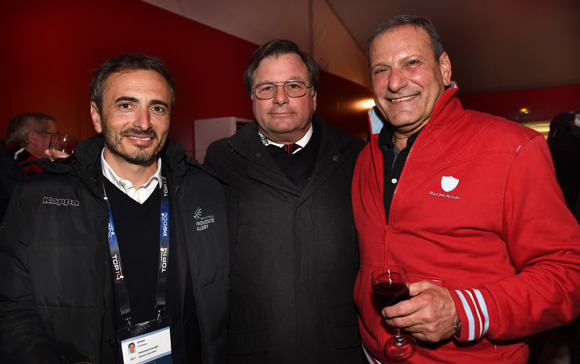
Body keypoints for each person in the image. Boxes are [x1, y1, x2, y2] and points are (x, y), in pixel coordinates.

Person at [352, 15, 580, 364]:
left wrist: (463, 311)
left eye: (412, 63)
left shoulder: (513, 148)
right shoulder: (365, 158)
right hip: (374, 354)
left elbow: (567, 275)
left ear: (444, 68)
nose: (395, 82)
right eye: (381, 70)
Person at [0, 54, 229, 364]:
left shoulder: (205, 192)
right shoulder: (38, 201)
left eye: (157, 108)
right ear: (96, 116)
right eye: (126, 105)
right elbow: (12, 309)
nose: (144, 122)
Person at [204, 39, 366, 363]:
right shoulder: (221, 160)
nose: (280, 98)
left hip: (341, 352)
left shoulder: (356, 157)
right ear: (252, 98)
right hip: (255, 352)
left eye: (293, 85)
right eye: (266, 88)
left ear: (314, 96)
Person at [0, 112, 58, 222]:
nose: (59, 142)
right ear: (34, 138)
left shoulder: (47, 169)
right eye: (55, 136)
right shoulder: (5, 174)